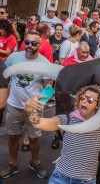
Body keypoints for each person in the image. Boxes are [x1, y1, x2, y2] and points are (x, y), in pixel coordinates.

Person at [24, 85, 100, 184]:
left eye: (90, 99)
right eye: (82, 97)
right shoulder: (67, 119)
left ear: (98, 105)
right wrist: (29, 107)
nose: (84, 101)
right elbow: (38, 123)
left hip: (86, 181)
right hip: (60, 178)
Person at [0, 31, 52, 179]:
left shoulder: (44, 64)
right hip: (14, 105)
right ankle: (13, 164)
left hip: (34, 108)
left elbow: (48, 88)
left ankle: (35, 162)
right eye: (27, 42)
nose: (29, 45)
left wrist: (34, 107)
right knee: (13, 136)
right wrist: (4, 97)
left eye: (34, 43)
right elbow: (4, 77)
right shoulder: (13, 58)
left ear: (40, 45)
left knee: (34, 138)